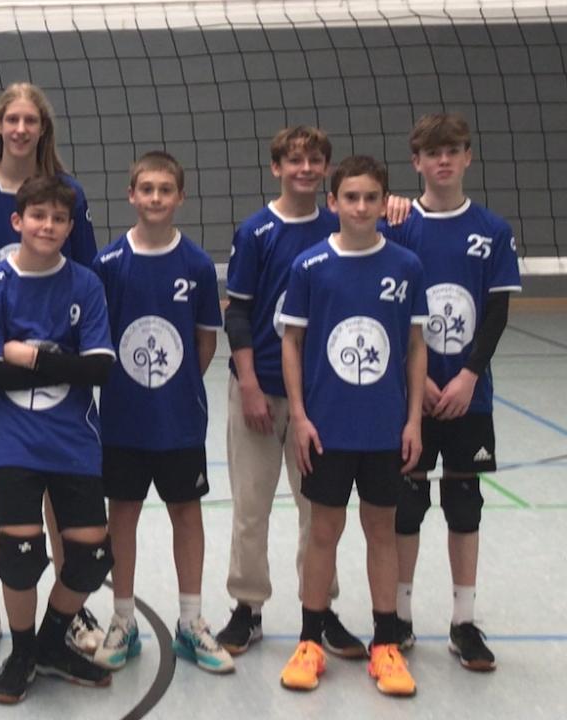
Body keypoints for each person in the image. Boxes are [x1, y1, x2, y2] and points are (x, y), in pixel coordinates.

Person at [218, 126, 410, 657]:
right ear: (277, 167)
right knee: (251, 508)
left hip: (322, 402)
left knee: (319, 513)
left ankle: (320, 611)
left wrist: (398, 205)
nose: (304, 167)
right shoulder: (257, 232)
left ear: (327, 170)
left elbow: (400, 236)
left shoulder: (344, 220)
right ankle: (247, 608)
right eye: (294, 160)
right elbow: (237, 312)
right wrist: (251, 384)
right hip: (258, 392)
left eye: (314, 159)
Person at [0, 82, 101, 658]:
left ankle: (72, 607)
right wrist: (1, 333)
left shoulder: (70, 194)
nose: (20, 129)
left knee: (57, 480)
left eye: (30, 120)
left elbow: (84, 272)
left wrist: (52, 353)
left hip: (58, 370)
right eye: (11, 119)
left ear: (43, 128)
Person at [278, 155, 426, 697]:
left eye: (371, 198)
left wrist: (412, 419)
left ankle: (386, 643)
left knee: (381, 531)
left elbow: (414, 346)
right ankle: (311, 640)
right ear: (333, 202)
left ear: (383, 203)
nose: (361, 207)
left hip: (384, 429)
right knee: (323, 531)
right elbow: (291, 342)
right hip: (327, 428)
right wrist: (299, 416)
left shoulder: (406, 266)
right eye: (350, 197)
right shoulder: (311, 266)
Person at [0, 175, 115, 704]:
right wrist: (64, 366)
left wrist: (29, 356)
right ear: (18, 221)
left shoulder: (85, 285)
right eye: (37, 216)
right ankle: (25, 650)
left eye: (57, 219)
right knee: (22, 555)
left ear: (70, 227)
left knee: (92, 557)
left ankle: (53, 641)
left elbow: (100, 367)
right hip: (15, 441)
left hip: (75, 438)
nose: (47, 226)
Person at [90, 151, 231, 674]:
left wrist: (173, 389)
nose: (154, 197)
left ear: (180, 197)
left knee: (185, 514)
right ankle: (123, 620)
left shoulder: (194, 264)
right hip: (123, 419)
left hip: (179, 419)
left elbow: (203, 343)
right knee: (120, 516)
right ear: (131, 195)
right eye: (145, 188)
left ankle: (191, 622)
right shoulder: (108, 264)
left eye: (164, 189)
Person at [389, 113, 520, 672]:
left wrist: (468, 375)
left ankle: (463, 622)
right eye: (432, 152)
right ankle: (397, 616)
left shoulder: (491, 229)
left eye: (454, 151)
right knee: (407, 504)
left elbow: (496, 310)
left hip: (470, 395)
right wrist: (416, 384)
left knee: (464, 503)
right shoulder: (396, 226)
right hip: (410, 397)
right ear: (417, 162)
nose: (444, 160)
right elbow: (384, 309)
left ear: (468, 158)